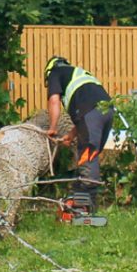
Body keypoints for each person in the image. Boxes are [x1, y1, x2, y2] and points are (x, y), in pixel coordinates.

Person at [44, 55, 114, 214]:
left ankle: (85, 208)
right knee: (90, 156)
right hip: (107, 111)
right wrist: (71, 134)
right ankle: (87, 205)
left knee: (87, 158)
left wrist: (53, 128)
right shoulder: (80, 74)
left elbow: (54, 101)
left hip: (91, 113)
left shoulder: (56, 72)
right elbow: (88, 114)